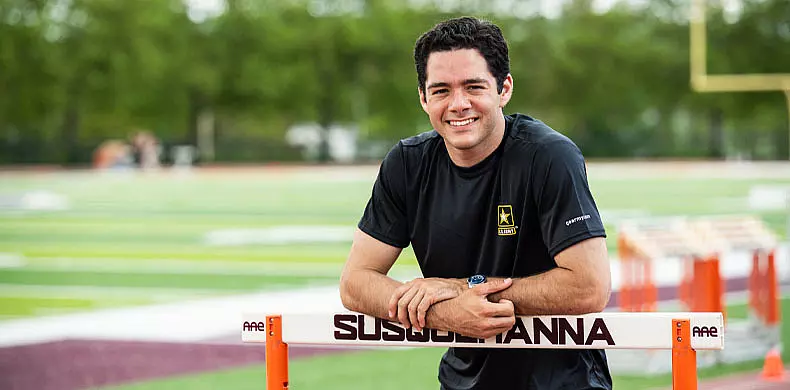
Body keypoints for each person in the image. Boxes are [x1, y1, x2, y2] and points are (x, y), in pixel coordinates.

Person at [339, 16, 613, 390]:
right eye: (441, 91)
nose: (458, 104)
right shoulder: (407, 163)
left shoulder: (549, 156)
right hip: (462, 381)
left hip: (562, 382)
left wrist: (461, 288)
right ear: (423, 97)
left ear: (504, 89)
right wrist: (446, 312)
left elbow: (589, 287)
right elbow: (355, 283)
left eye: (473, 86)